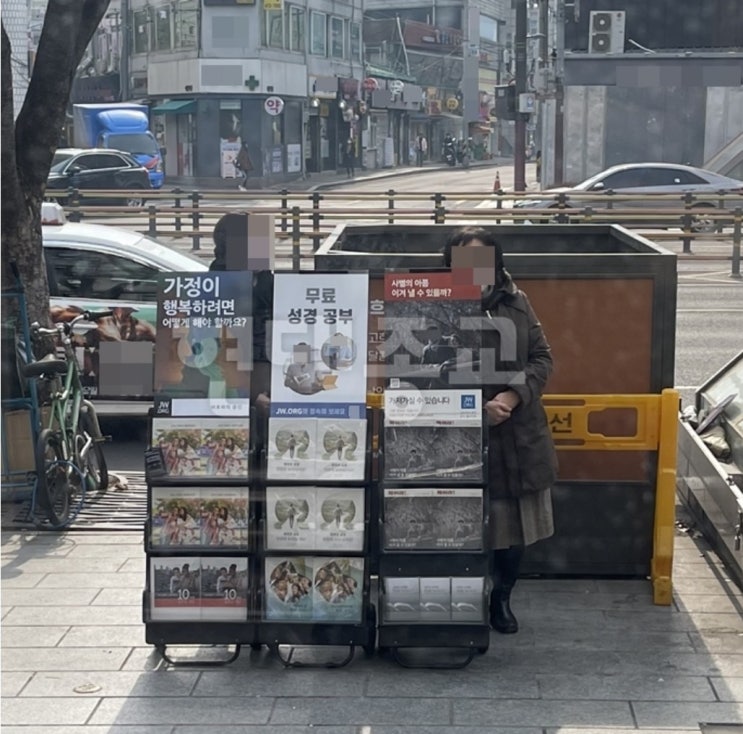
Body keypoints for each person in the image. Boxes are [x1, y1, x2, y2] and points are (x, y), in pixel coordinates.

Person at [443, 225, 558, 635]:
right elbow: (423, 370)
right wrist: (477, 407)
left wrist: (509, 398)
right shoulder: (438, 304)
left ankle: (501, 598)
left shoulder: (516, 299)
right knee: (461, 525)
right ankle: (464, 600)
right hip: (459, 433)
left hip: (516, 431)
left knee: (512, 530)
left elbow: (542, 358)